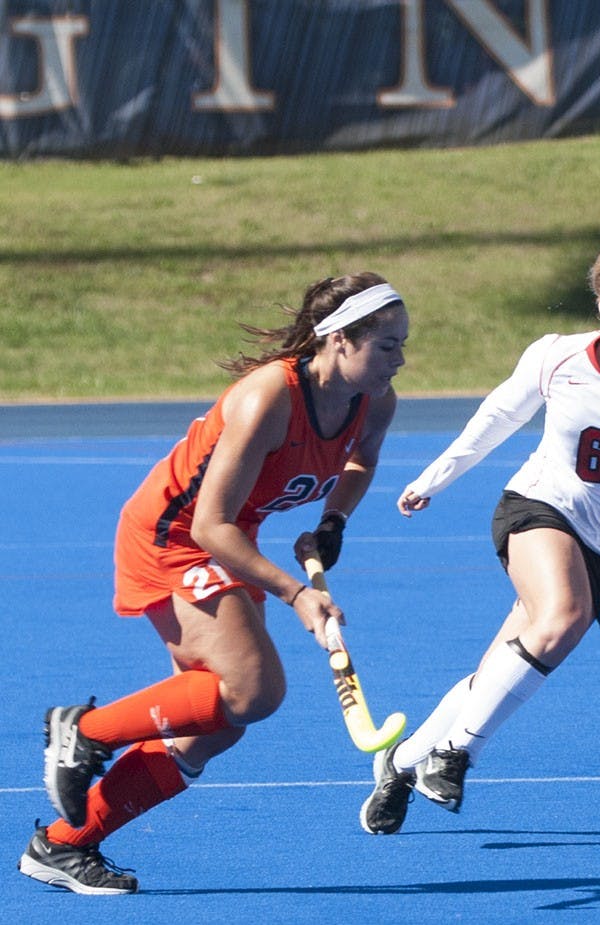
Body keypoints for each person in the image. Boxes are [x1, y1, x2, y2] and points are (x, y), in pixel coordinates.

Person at [18, 273, 408, 894]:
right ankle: (84, 731)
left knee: (217, 725)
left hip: (230, 535)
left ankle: (63, 845)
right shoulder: (269, 399)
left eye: (403, 345)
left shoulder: (374, 400)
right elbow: (209, 524)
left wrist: (333, 520)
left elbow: (361, 459)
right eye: (387, 346)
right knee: (255, 692)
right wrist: (297, 593)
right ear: (338, 340)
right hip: (173, 535)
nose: (400, 360)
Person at [357, 229, 600, 837]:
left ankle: (403, 762)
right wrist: (435, 478)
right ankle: (456, 754)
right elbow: (497, 417)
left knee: (501, 668)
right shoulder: (556, 355)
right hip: (536, 508)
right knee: (565, 615)